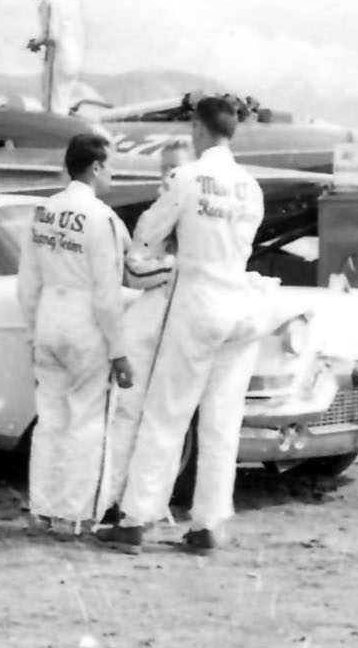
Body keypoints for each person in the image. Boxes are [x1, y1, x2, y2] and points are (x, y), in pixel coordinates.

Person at [97, 96, 266, 556]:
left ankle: (136, 519)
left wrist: (168, 239)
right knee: (222, 425)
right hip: (242, 306)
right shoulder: (252, 186)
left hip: (199, 304)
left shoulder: (187, 178)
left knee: (166, 414)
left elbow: (149, 232)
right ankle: (209, 524)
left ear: (198, 127)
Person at [16, 133, 134, 537]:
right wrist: (118, 350)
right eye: (111, 165)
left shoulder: (43, 212)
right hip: (85, 323)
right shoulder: (102, 219)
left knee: (50, 420)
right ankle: (76, 513)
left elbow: (26, 283)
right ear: (96, 167)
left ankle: (43, 508)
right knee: (86, 420)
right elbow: (107, 294)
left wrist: (34, 330)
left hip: (49, 314)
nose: (113, 173)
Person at [100, 139, 194, 523]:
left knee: (158, 419)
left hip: (172, 316)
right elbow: (136, 269)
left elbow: (138, 267)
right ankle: (116, 501)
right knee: (130, 414)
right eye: (162, 168)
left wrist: (169, 269)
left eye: (174, 167)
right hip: (156, 315)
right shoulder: (163, 207)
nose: (166, 176)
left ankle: (141, 504)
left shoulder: (179, 205)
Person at [25, 0, 81, 115]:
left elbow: (51, 36)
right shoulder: (61, 1)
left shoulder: (50, 2)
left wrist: (35, 43)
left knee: (52, 105)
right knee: (61, 101)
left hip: (58, 57)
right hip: (70, 55)